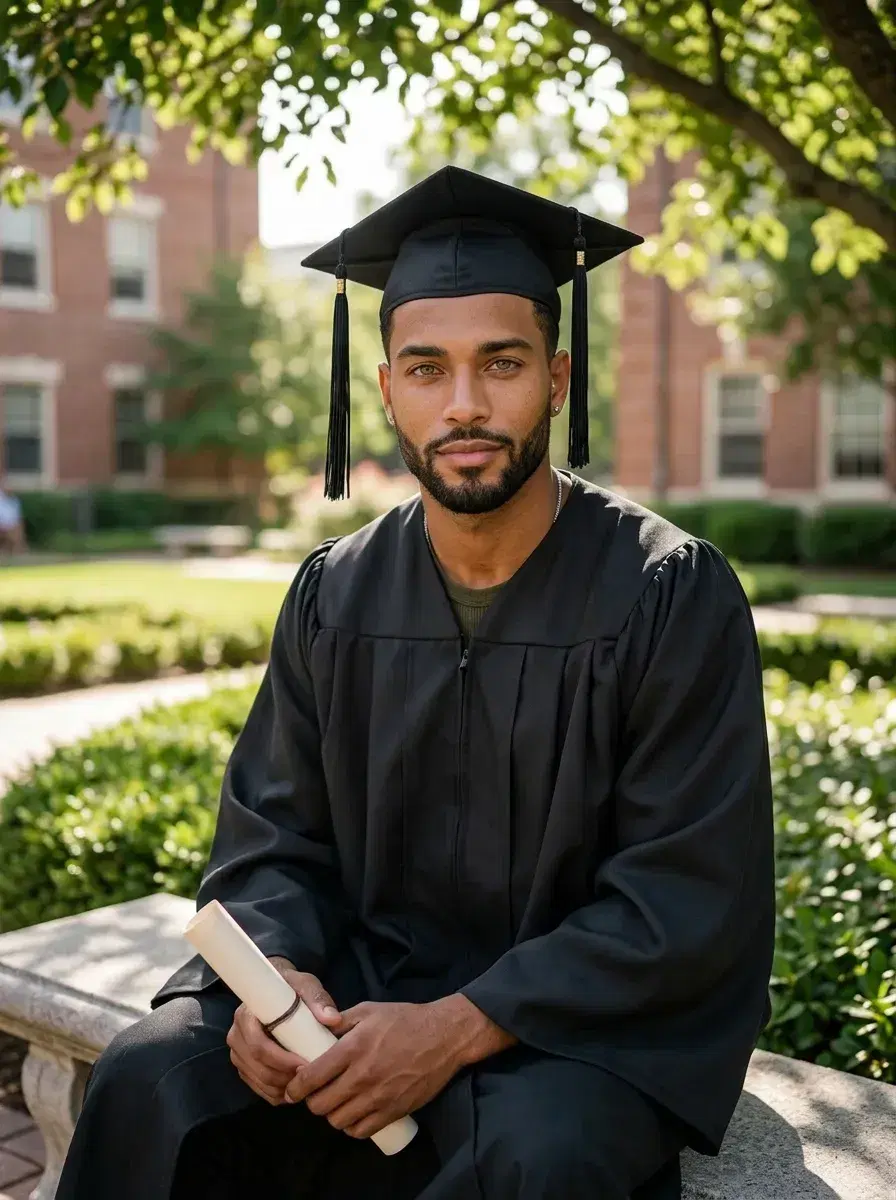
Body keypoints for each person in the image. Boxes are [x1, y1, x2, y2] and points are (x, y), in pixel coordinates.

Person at [57, 166, 775, 1200]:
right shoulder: (333, 595)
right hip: (353, 991)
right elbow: (272, 839)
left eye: (502, 363)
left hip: (560, 1031)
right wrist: (273, 985)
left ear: (558, 379)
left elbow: (682, 896)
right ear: (386, 389)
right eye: (428, 370)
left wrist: (454, 1028)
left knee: (534, 1159)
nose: (466, 405)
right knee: (154, 1075)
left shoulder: (667, 594)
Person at [0, 485, 26, 556]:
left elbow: (17, 518)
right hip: (2, 525)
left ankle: (17, 551)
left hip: (11, 527)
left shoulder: (15, 502)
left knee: (17, 529)